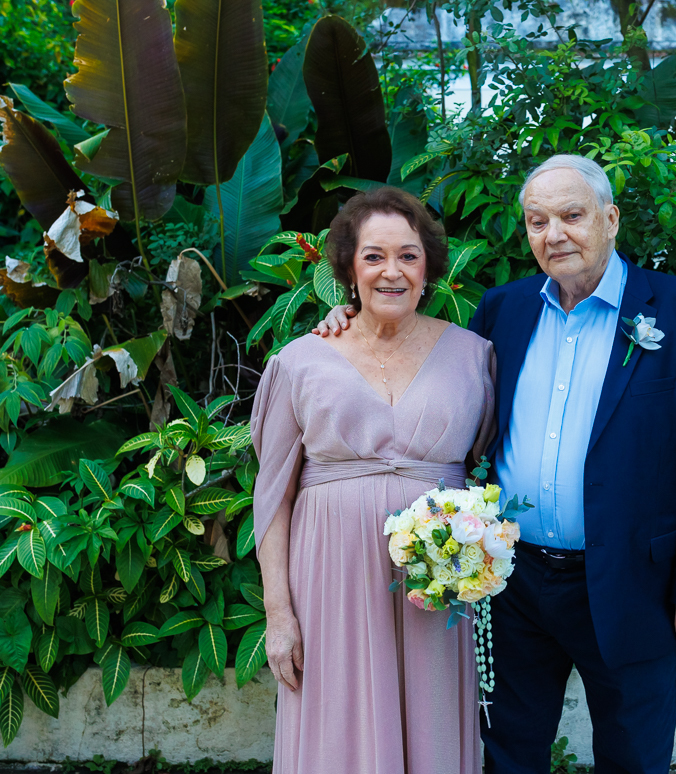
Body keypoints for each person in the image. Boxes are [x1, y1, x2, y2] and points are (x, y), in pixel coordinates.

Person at [315, 154, 676, 773]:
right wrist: (351, 319)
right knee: (509, 753)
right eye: (538, 222)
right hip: (514, 582)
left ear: (610, 219)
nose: (554, 234)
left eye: (572, 216)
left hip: (632, 583)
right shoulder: (503, 310)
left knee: (634, 757)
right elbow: (428, 365)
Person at [251, 186, 496, 773]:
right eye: (374, 256)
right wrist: (279, 614)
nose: (393, 271)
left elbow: (488, 465)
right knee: (337, 730)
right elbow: (274, 497)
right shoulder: (301, 361)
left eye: (409, 256)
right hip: (330, 582)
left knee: (432, 725)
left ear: (428, 268)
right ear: (348, 268)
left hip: (435, 582)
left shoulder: (473, 355)